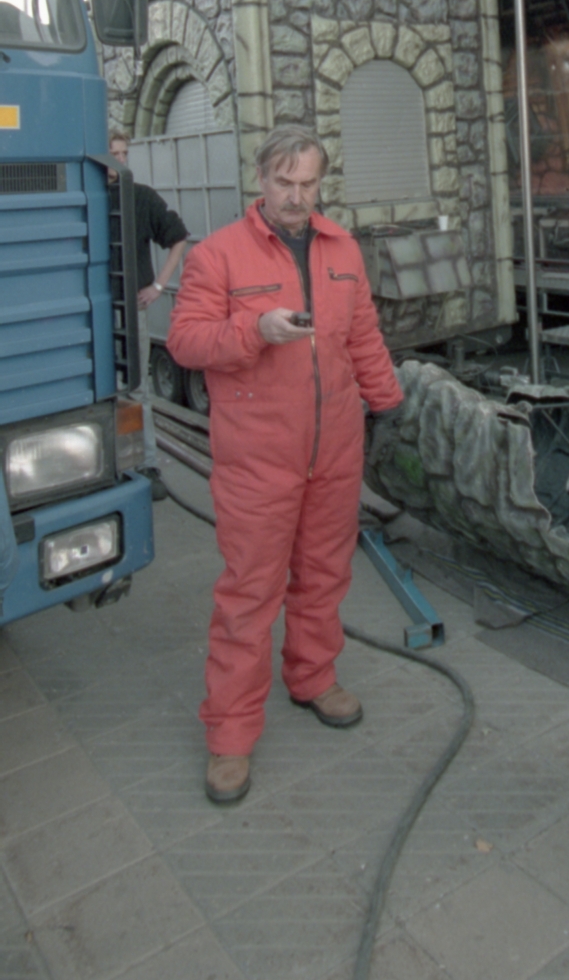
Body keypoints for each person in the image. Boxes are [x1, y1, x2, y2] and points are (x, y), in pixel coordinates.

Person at [167, 126, 402, 805]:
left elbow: (362, 334)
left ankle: (312, 676)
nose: (296, 197)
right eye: (284, 182)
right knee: (249, 595)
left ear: (320, 183)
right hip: (257, 460)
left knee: (325, 574)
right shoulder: (217, 255)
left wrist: (387, 401)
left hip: (334, 450)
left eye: (308, 183)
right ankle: (230, 734)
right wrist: (254, 330)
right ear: (261, 180)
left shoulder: (342, 247)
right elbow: (185, 341)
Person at [108, 132, 189, 500]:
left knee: (136, 389)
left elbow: (178, 237)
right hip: (95, 310)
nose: (120, 160)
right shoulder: (86, 196)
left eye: (124, 153)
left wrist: (158, 285)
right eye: (113, 153)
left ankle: (147, 465)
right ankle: (110, 467)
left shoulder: (140, 198)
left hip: (130, 310)